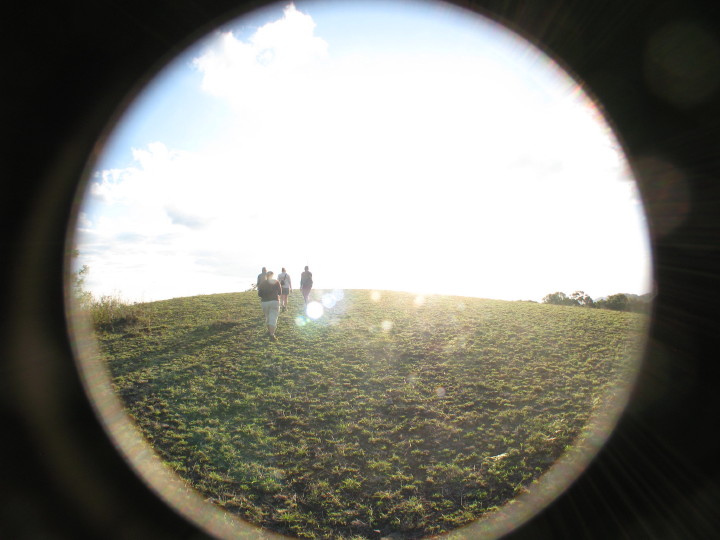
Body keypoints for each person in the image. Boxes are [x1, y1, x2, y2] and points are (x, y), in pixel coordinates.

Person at [257, 270, 281, 340]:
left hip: (264, 302)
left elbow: (259, 294)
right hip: (274, 301)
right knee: (273, 317)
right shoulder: (276, 282)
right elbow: (280, 292)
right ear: (272, 275)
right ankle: (272, 334)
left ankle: (269, 331)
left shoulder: (262, 283)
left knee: (267, 317)